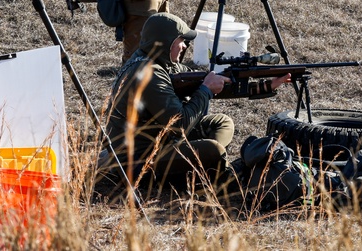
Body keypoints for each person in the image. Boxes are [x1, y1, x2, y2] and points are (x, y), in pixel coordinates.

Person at [105, 12, 291, 192]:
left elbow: (217, 84)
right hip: (137, 163)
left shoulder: (159, 62)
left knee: (222, 122)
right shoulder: (149, 74)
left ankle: (204, 170)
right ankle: (224, 180)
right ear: (166, 42)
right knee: (213, 149)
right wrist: (205, 90)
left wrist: (265, 86)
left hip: (159, 140)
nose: (185, 45)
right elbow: (180, 125)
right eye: (181, 40)